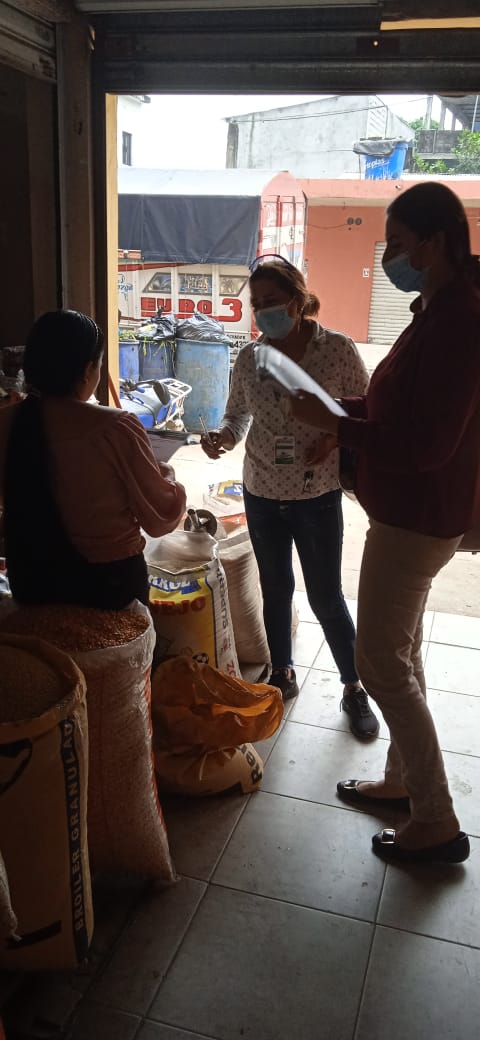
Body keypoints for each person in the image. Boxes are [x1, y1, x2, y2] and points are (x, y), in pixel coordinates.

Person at [291, 182, 480, 865]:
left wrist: (339, 425)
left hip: (417, 517)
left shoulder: (459, 319)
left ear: (435, 242)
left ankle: (436, 819)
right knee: (402, 653)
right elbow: (396, 406)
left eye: (398, 244)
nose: (391, 257)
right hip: (410, 511)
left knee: (377, 663)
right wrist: (338, 416)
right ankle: (404, 781)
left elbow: (426, 444)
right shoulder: (435, 309)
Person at [201, 255, 379, 740]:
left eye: (273, 302)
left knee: (325, 595)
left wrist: (336, 438)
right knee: (275, 588)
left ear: (298, 302)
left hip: (316, 494)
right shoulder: (250, 358)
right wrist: (222, 438)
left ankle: (354, 686)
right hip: (260, 493)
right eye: (257, 304)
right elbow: (237, 415)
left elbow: (367, 413)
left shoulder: (337, 350)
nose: (264, 312)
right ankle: (282, 672)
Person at [0, 309, 186, 609]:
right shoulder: (116, 427)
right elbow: (160, 517)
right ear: (88, 370)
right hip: (109, 585)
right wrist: (167, 476)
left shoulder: (8, 422)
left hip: (31, 580)